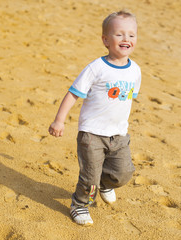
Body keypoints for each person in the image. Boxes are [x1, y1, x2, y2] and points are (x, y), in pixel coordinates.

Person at [48, 10, 141, 225]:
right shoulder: (96, 68)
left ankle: (105, 183)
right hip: (92, 134)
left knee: (123, 173)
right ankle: (79, 205)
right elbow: (73, 93)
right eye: (119, 34)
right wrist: (59, 120)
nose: (126, 39)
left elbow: (127, 100)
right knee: (89, 178)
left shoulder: (135, 70)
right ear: (106, 40)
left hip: (118, 134)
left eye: (132, 35)